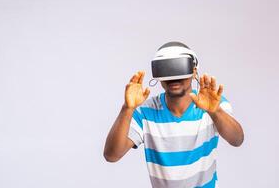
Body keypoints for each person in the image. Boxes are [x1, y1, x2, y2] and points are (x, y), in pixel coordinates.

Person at [103, 42, 244, 188]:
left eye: (179, 68)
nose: (174, 77)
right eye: (166, 70)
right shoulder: (145, 111)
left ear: (194, 71)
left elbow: (237, 139)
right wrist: (127, 109)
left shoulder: (212, 103)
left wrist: (215, 111)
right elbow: (111, 155)